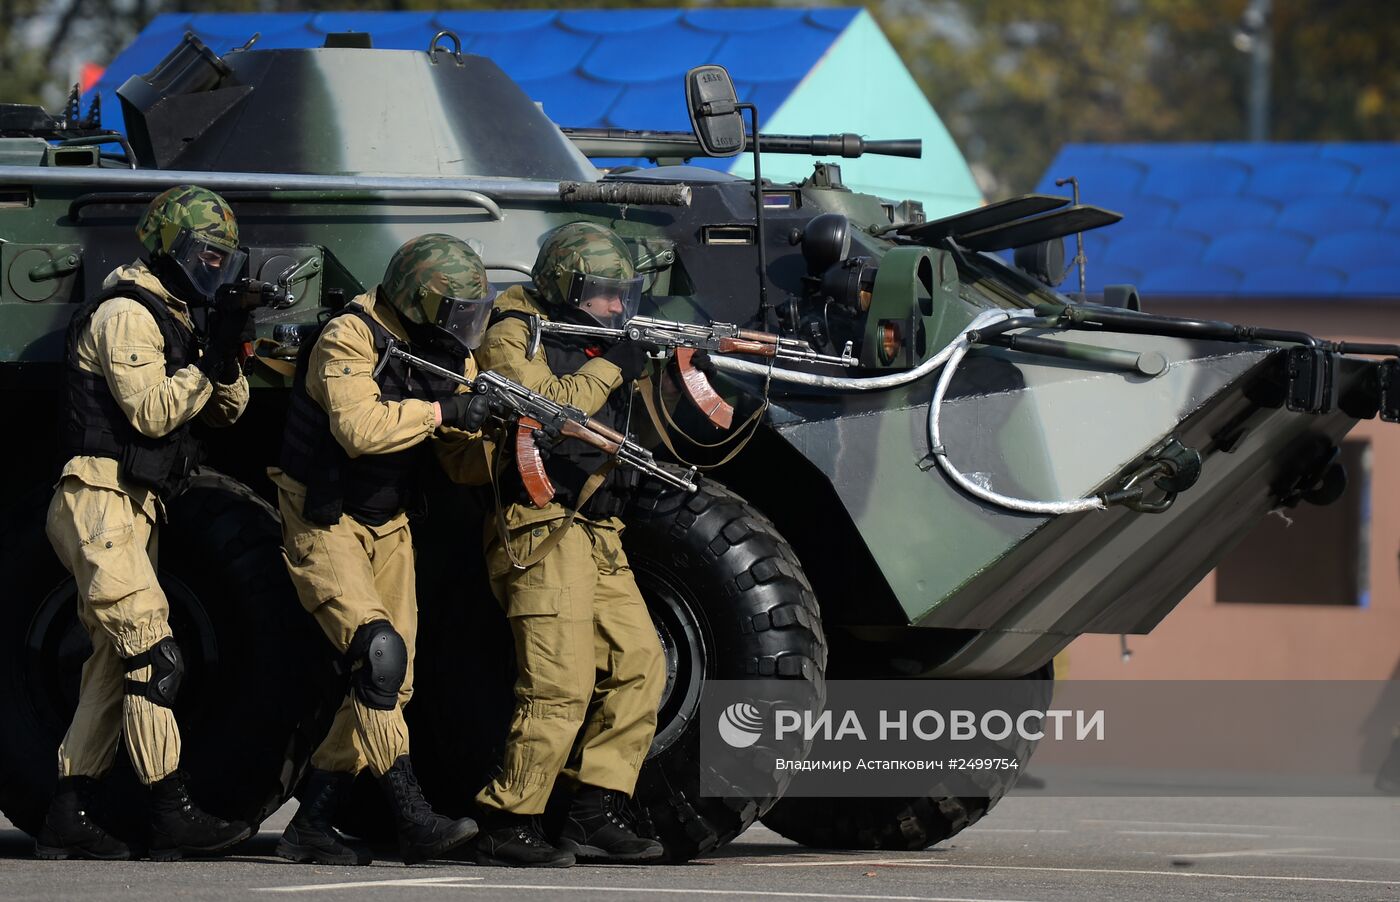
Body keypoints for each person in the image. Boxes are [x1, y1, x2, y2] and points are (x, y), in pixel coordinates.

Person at [38, 185, 255, 861]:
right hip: (97, 497)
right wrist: (203, 364)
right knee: (153, 652)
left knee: (113, 661)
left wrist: (224, 352)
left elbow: (229, 413)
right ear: (166, 248)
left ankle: (68, 810)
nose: (211, 269)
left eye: (222, 260)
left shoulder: (177, 317)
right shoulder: (129, 314)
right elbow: (154, 414)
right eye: (202, 256)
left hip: (134, 505)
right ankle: (170, 809)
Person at [270, 233, 495, 866]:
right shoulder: (351, 337)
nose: (464, 330)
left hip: (389, 523)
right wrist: (445, 411)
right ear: (419, 301)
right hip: (325, 514)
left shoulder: (445, 352)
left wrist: (490, 426)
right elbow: (359, 429)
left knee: (391, 687)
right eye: (456, 314)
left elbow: (461, 464)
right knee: (378, 659)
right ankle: (412, 817)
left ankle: (311, 822)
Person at [472, 222, 665, 868]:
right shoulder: (512, 332)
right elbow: (549, 407)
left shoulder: (591, 337)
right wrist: (617, 364)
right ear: (564, 287)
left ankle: (597, 808)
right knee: (561, 684)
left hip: (594, 529)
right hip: (539, 526)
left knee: (642, 662)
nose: (619, 307)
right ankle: (509, 816)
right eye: (606, 294)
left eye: (625, 294)